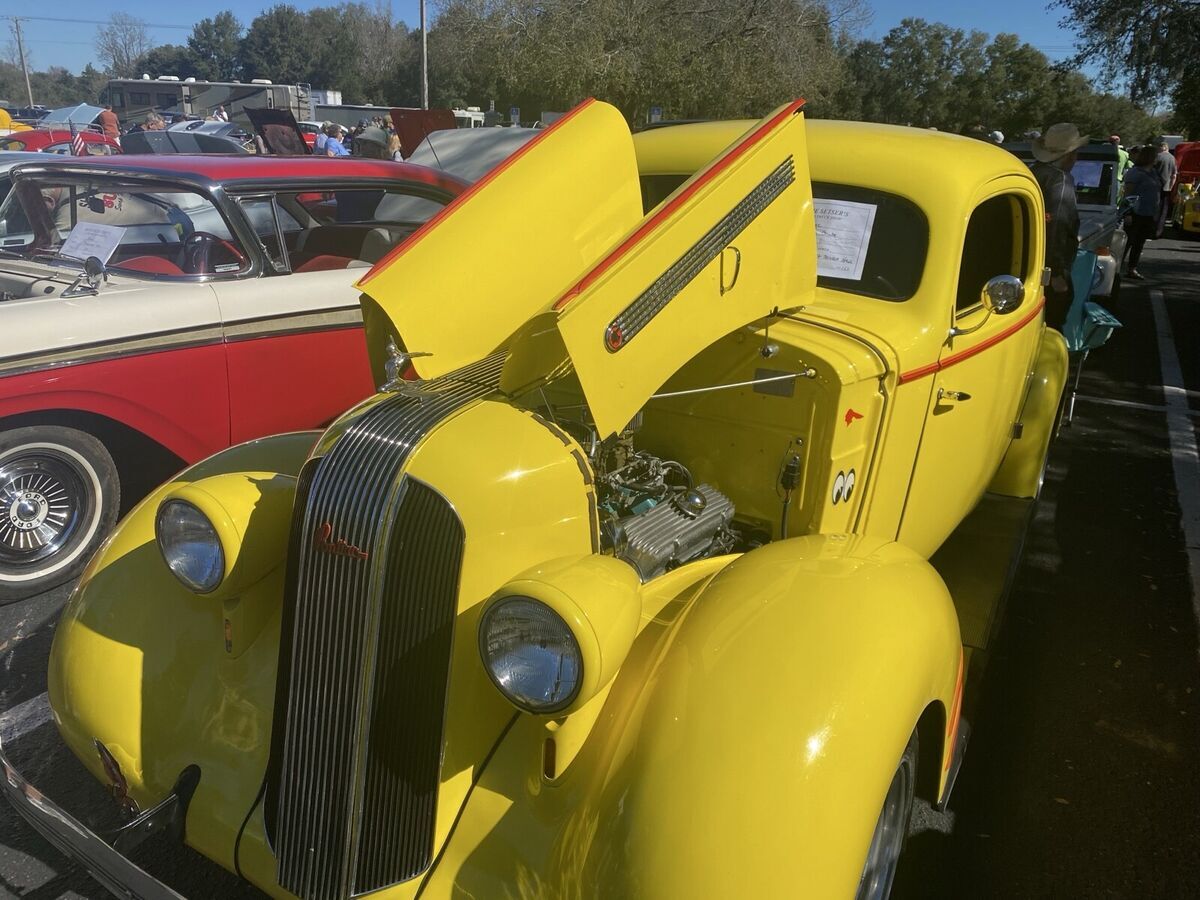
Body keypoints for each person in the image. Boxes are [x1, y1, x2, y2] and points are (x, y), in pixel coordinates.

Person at [1030, 122, 1088, 328]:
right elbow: (1056, 224)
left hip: (1029, 262)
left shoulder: (1034, 171)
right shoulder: (1060, 180)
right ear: (1069, 155)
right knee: (1053, 322)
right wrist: (1055, 272)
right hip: (1047, 270)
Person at [1122, 145, 1162, 280]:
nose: (1157, 159)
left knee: (1139, 242)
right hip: (1135, 212)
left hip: (1148, 213)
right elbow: (1127, 193)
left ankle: (1132, 268)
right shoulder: (1135, 172)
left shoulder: (1154, 172)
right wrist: (1127, 213)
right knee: (1127, 241)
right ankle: (1117, 268)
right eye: (1155, 156)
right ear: (1149, 157)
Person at [1152, 138, 1177, 237]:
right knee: (1164, 210)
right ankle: (1159, 231)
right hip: (1167, 188)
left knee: (1155, 208)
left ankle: (1151, 229)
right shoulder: (1173, 158)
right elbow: (1174, 175)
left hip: (1155, 186)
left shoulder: (1157, 157)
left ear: (1161, 147)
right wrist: (1171, 186)